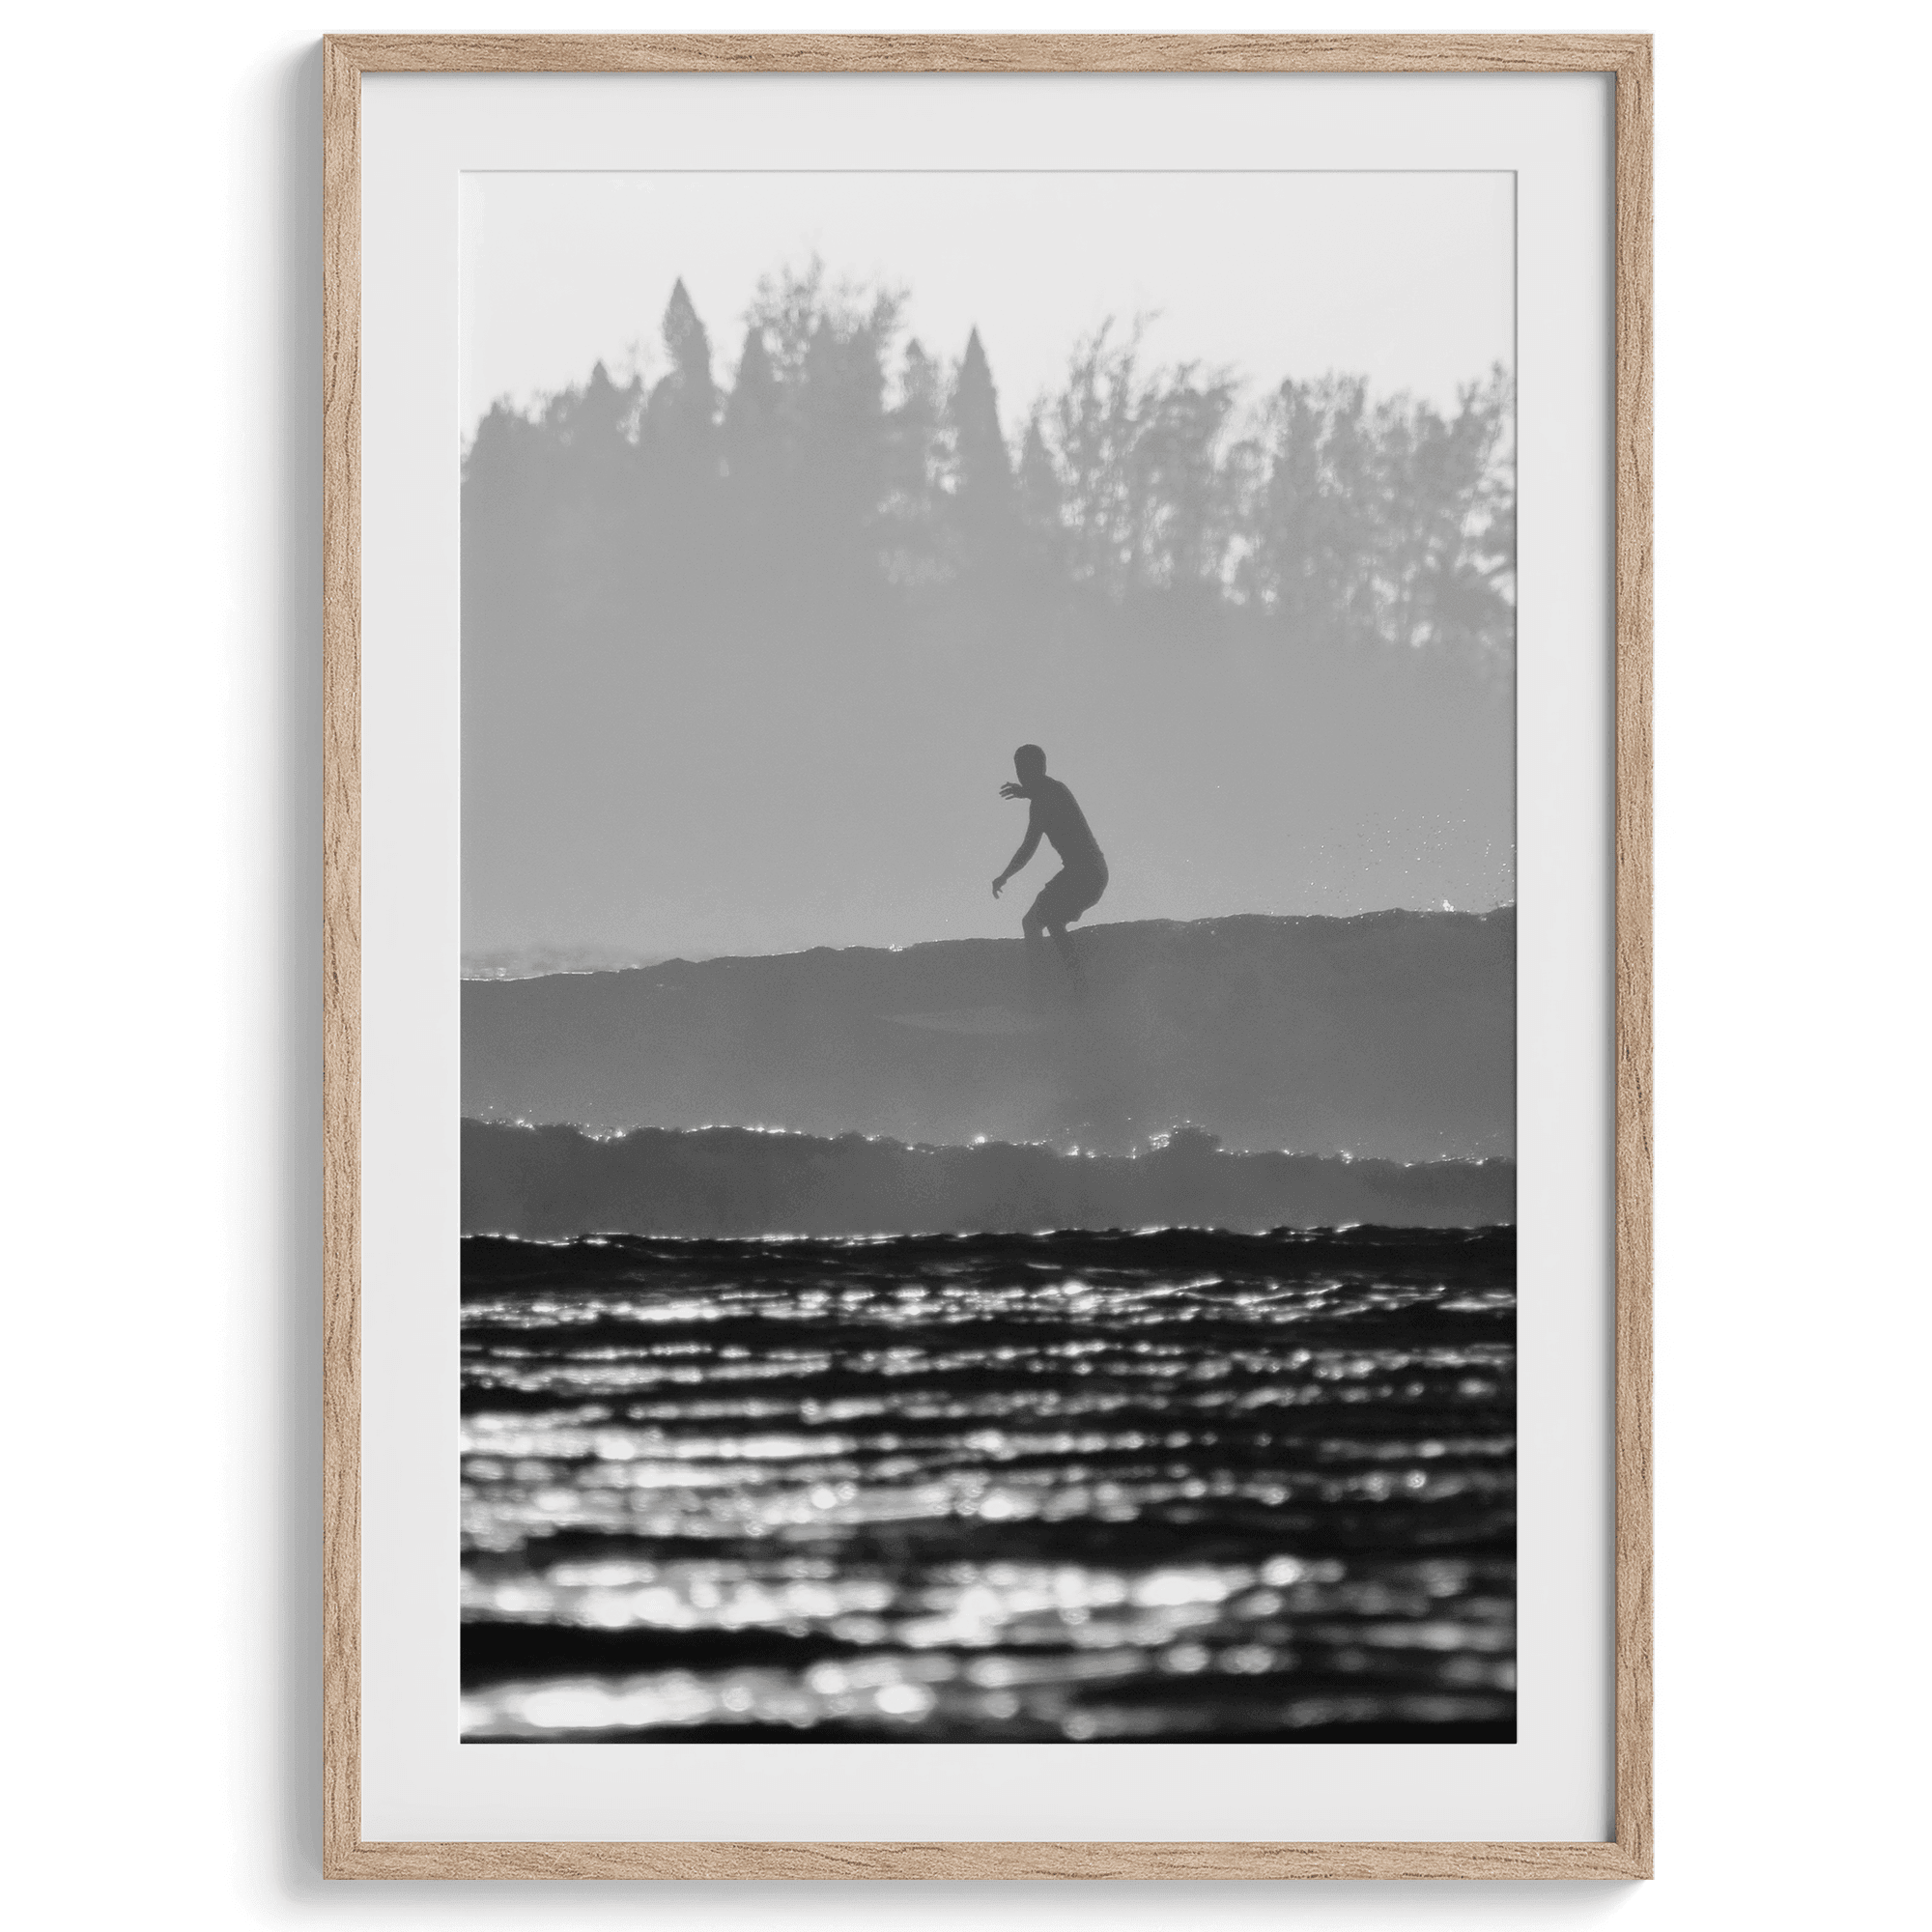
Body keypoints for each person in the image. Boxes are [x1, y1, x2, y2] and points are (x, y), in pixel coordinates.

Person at [992, 744, 1108, 996]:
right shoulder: (1055, 789)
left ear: (1039, 767)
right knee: (1051, 919)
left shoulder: (1045, 799)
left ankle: (1043, 992)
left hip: (1083, 873)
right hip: (1091, 873)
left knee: (1034, 921)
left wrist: (1004, 876)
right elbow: (1042, 790)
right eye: (1018, 770)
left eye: (1025, 769)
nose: (1021, 774)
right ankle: (1076, 985)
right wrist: (1025, 792)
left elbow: (1028, 848)